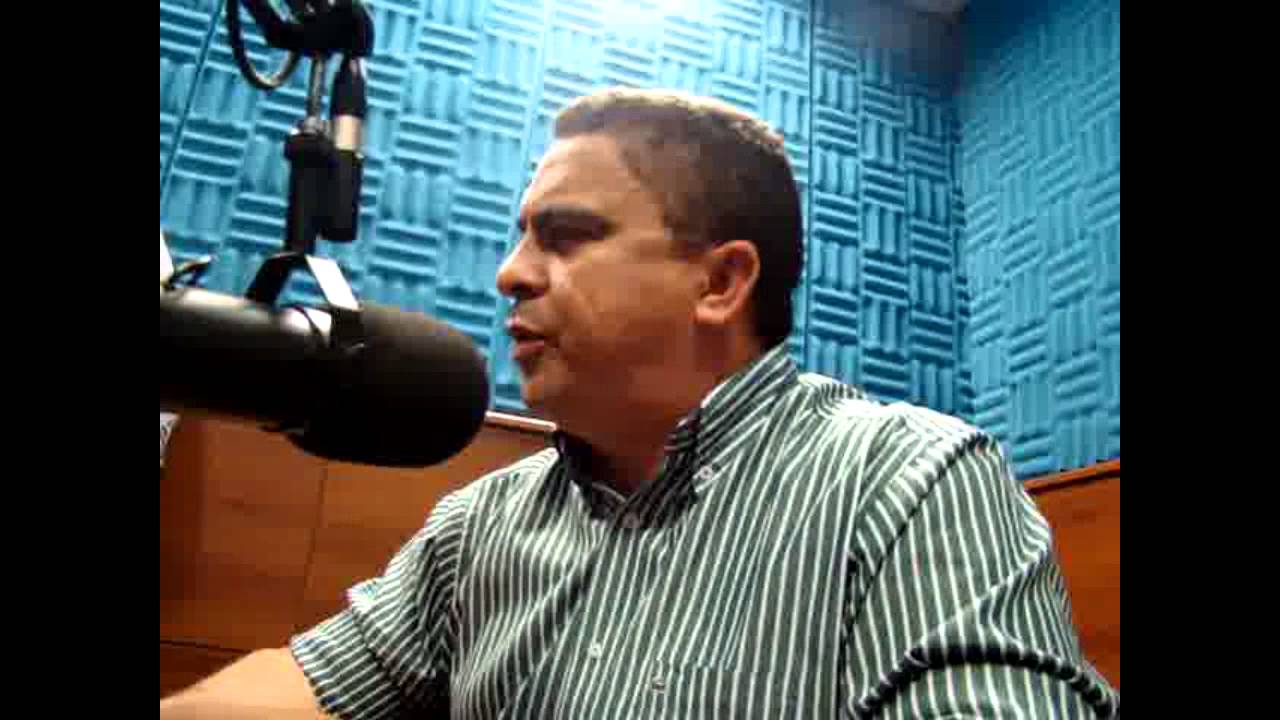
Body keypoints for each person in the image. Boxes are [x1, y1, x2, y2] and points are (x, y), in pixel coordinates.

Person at [160, 87, 1120, 719]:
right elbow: (309, 687)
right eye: (518, 236)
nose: (508, 274)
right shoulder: (479, 526)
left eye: (563, 236)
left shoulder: (913, 482)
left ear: (721, 282)